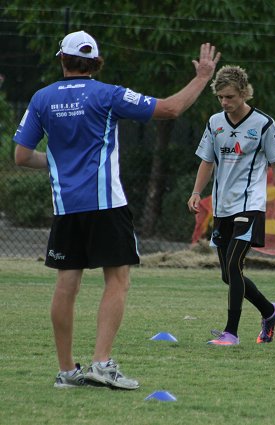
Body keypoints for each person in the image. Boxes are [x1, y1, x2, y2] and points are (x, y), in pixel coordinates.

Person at [13, 30, 221, 388]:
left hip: (66, 207)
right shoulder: (107, 94)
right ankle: (101, 364)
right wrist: (202, 77)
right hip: (106, 204)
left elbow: (20, 156)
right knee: (118, 279)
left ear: (62, 60)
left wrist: (57, 162)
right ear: (96, 63)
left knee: (66, 283)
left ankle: (66, 372)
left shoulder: (42, 98)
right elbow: (170, 108)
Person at [188, 65, 275, 346]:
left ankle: (231, 333)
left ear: (244, 93)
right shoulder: (214, 123)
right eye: (221, 97)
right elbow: (207, 161)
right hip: (223, 206)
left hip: (250, 205)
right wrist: (197, 192)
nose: (225, 102)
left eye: (231, 97)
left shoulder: (263, 124)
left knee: (235, 264)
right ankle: (270, 311)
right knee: (228, 275)